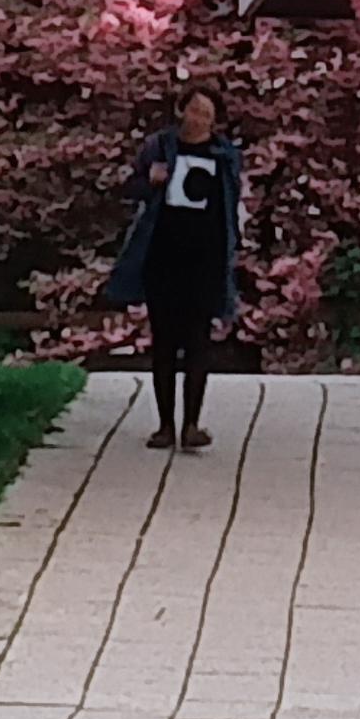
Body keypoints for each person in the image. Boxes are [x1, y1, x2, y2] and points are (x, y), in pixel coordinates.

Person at [103, 87, 241, 453]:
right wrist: (151, 181)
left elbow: (231, 205)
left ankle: (192, 424)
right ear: (181, 110)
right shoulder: (159, 148)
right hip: (162, 254)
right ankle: (165, 425)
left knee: (199, 341)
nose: (199, 119)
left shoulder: (224, 155)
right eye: (194, 110)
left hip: (206, 257)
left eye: (207, 114)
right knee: (164, 341)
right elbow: (128, 189)